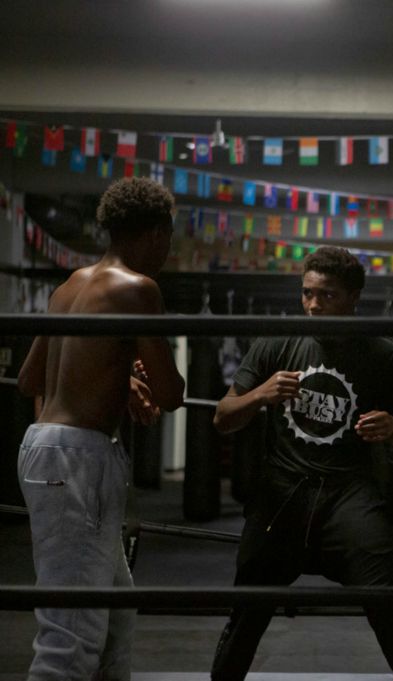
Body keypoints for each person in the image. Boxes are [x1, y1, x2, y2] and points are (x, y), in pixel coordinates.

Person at [209, 246, 393, 681]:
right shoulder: (276, 341)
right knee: (247, 611)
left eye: (326, 295)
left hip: (350, 494)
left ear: (354, 296)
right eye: (307, 293)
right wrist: (259, 395)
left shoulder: (382, 355)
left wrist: (391, 429)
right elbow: (222, 418)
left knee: (385, 606)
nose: (312, 304)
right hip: (283, 492)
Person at [16, 177, 186, 681]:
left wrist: (115, 377)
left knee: (114, 614)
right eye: (169, 237)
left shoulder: (69, 286)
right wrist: (136, 371)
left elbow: (29, 378)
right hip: (79, 459)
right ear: (156, 233)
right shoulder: (138, 288)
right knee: (71, 631)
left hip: (43, 446)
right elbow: (173, 392)